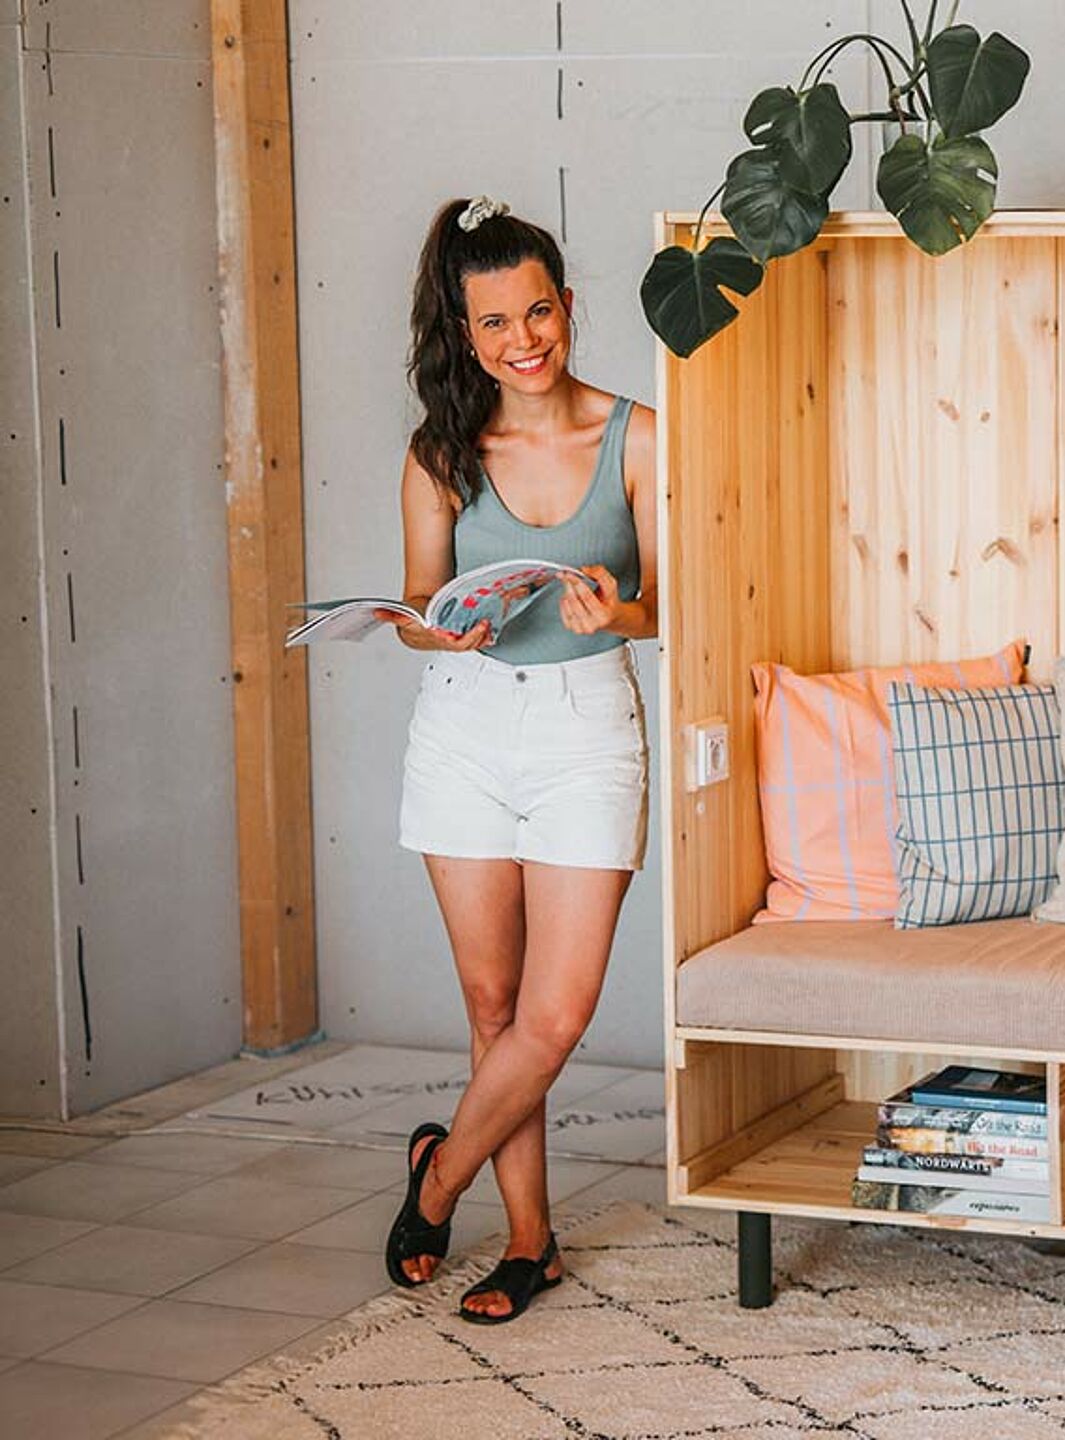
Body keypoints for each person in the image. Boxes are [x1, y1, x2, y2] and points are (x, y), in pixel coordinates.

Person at [379, 194, 655, 1324]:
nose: (522, 341)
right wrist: (429, 628)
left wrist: (622, 615)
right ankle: (530, 1245)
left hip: (590, 728)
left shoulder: (639, 435)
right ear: (464, 331)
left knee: (555, 1017)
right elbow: (407, 605)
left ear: (569, 305)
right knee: (494, 1009)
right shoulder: (443, 451)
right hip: (463, 724)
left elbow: (675, 602)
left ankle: (436, 1183)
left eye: (537, 312)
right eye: (493, 324)